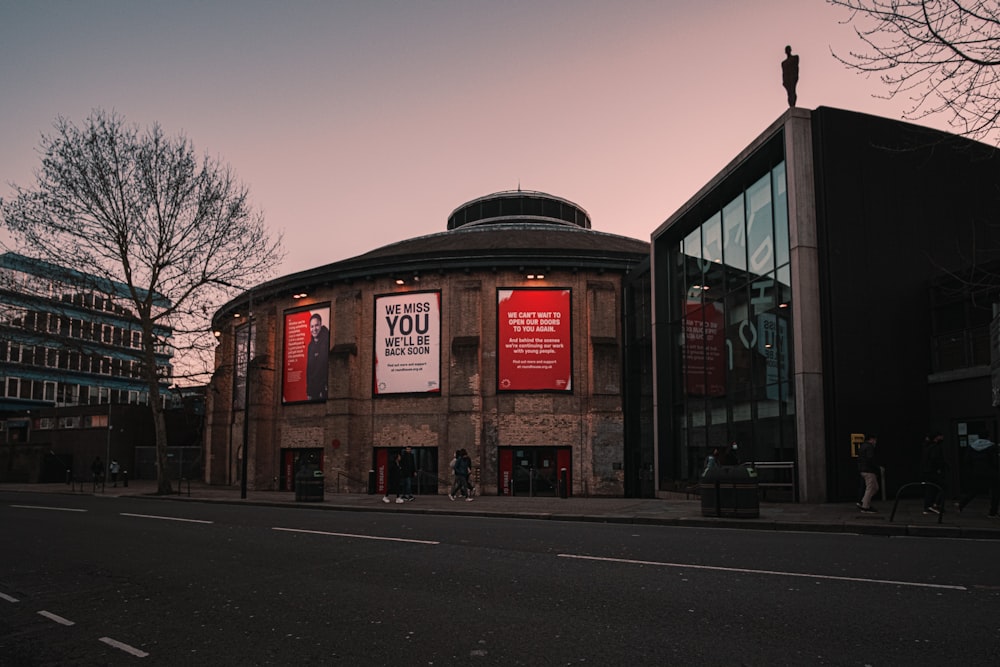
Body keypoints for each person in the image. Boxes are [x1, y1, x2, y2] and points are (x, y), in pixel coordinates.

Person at [956, 437, 999, 518]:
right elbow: (994, 460)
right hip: (990, 472)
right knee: (995, 492)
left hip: (976, 472)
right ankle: (993, 512)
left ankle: (962, 504)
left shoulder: (972, 447)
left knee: (975, 490)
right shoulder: (992, 447)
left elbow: (967, 460)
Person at [920, 432, 946, 514]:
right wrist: (939, 467)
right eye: (940, 436)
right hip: (933, 471)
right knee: (940, 487)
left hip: (927, 470)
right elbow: (935, 458)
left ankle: (930, 505)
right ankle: (932, 505)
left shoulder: (927, 446)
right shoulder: (935, 447)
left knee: (930, 488)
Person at [306, 313, 329, 401]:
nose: (314, 329)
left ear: (320, 325)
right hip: (313, 391)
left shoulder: (327, 341)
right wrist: (308, 391)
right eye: (312, 326)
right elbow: (309, 370)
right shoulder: (310, 346)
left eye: (316, 325)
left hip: (324, 390)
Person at [856, 434, 879, 513]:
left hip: (863, 470)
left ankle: (863, 501)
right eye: (875, 440)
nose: (875, 442)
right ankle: (865, 507)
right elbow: (870, 459)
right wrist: (877, 468)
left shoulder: (862, 446)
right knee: (870, 488)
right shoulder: (869, 447)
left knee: (875, 488)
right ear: (871, 439)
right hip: (868, 470)